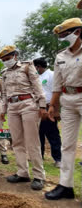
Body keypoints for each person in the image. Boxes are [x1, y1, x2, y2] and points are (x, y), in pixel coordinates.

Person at [0, 45, 47, 191]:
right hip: (12, 107)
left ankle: (39, 176)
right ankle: (22, 173)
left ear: (15, 56)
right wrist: (3, 109)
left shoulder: (27, 67)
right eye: (4, 60)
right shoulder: (5, 73)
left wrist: (42, 105)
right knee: (17, 141)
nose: (6, 61)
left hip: (28, 105)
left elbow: (37, 85)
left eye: (8, 58)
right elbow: (5, 93)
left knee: (32, 141)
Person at [45, 18, 82, 200]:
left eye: (65, 34)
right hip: (67, 100)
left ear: (78, 32)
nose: (62, 38)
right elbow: (57, 85)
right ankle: (65, 186)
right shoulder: (60, 56)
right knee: (67, 144)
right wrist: (52, 105)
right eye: (60, 36)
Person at [33, 57, 62, 168]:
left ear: (38, 66)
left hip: (49, 108)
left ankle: (58, 158)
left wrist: (55, 110)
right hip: (37, 109)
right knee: (38, 134)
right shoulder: (36, 77)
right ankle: (39, 156)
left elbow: (57, 92)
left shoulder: (52, 75)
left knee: (52, 134)